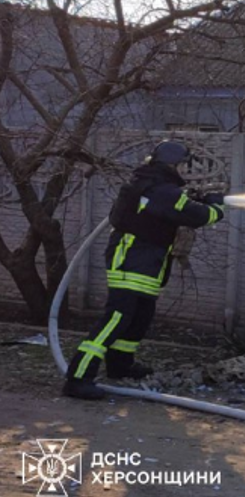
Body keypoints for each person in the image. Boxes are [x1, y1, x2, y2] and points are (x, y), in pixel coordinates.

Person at [63, 140, 226, 400]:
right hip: (132, 261)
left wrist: (195, 200)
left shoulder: (152, 187)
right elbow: (198, 216)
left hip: (145, 262)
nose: (184, 171)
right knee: (116, 319)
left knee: (139, 317)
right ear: (172, 165)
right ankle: (78, 378)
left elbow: (174, 209)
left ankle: (120, 365)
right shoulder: (162, 192)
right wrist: (216, 206)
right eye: (182, 166)